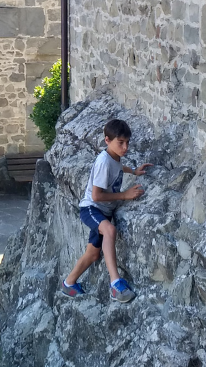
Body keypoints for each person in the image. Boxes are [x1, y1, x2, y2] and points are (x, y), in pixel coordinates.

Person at [61, 118, 148, 303]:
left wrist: (133, 171)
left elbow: (118, 167)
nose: (125, 147)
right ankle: (115, 284)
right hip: (91, 209)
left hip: (103, 211)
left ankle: (69, 283)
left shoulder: (114, 157)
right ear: (107, 140)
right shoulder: (103, 162)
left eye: (127, 143)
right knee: (110, 230)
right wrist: (124, 195)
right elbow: (96, 196)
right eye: (120, 143)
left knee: (93, 254)